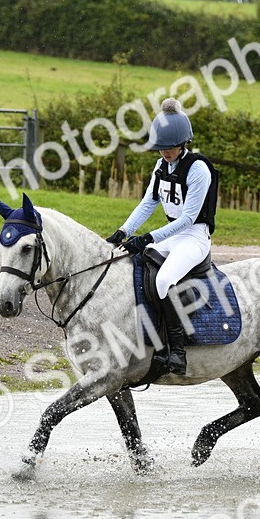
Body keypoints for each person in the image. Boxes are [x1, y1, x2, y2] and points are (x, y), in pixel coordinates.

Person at [106, 98, 218, 377]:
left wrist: (148, 237)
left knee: (164, 279)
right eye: (160, 148)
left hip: (194, 237)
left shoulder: (198, 170)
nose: (164, 152)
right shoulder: (160, 167)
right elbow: (147, 204)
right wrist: (124, 231)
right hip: (174, 235)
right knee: (134, 263)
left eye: (169, 147)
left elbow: (188, 219)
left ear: (183, 143)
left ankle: (177, 353)